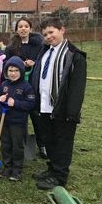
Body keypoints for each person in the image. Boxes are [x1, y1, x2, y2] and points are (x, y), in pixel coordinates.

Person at [31, 18, 86, 190]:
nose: (48, 37)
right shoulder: (45, 52)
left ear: (62, 30)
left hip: (63, 108)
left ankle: (60, 176)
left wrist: (72, 112)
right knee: (50, 139)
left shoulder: (74, 55)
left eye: (51, 32)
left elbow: (77, 87)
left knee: (63, 141)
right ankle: (53, 169)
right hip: (45, 105)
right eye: (45, 34)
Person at [4, 17, 46, 158]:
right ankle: (18, 144)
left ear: (30, 28)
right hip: (17, 86)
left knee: (36, 117)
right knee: (19, 117)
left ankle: (42, 145)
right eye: (20, 26)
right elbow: (7, 64)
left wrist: (34, 64)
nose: (23, 29)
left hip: (34, 85)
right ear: (16, 30)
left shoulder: (39, 45)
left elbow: (43, 61)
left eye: (25, 26)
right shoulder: (11, 47)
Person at [0, 56, 35, 181]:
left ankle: (17, 170)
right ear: (7, 72)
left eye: (16, 71)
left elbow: (31, 104)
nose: (13, 73)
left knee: (17, 146)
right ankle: (7, 167)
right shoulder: (4, 84)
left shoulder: (26, 87)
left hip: (17, 122)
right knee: (6, 144)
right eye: (10, 71)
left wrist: (16, 103)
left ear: (21, 71)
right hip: (4, 121)